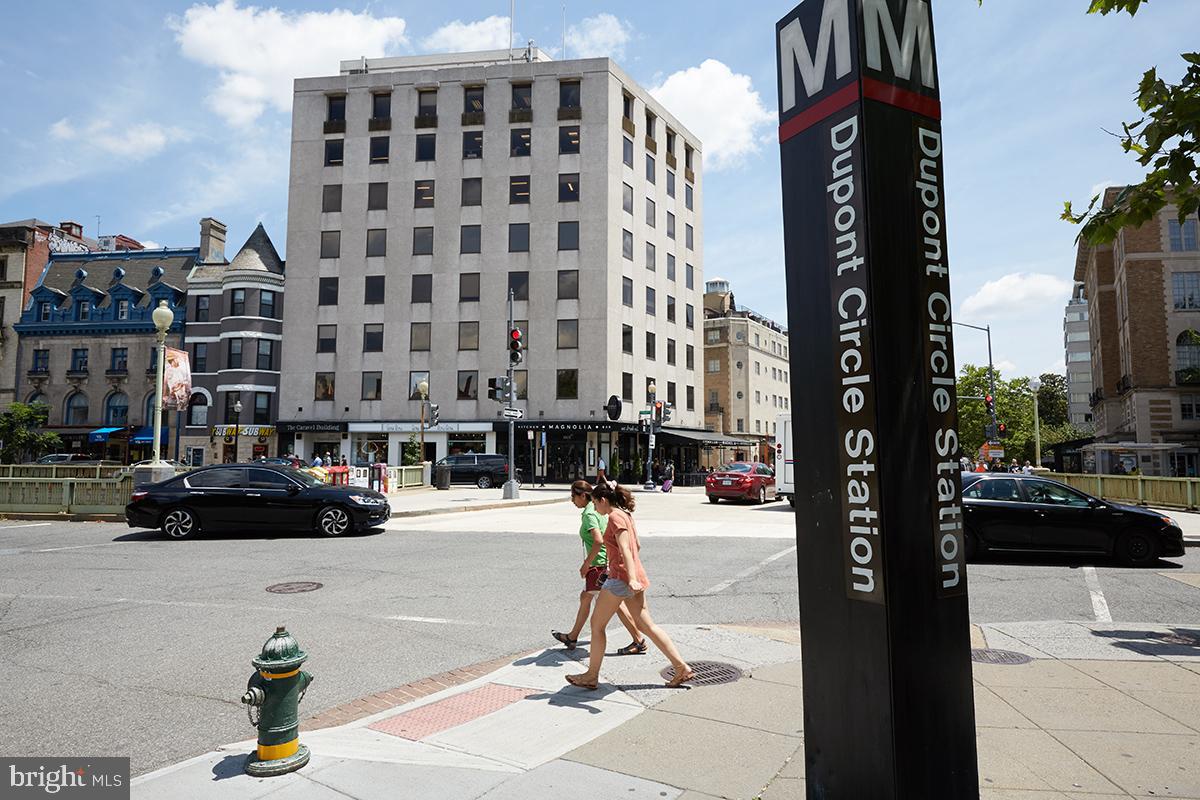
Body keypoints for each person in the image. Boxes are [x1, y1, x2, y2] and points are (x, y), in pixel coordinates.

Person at [567, 483, 694, 690]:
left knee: (597, 626)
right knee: (647, 626)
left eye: (595, 503)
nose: (595, 507)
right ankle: (681, 667)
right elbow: (637, 546)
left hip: (621, 580)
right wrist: (632, 574)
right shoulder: (625, 515)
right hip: (632, 577)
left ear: (603, 500)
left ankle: (591, 676)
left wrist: (630, 577)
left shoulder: (615, 517)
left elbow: (625, 548)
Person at [552, 481, 645, 654]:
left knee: (613, 606)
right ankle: (573, 636)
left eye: (573, 496)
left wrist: (586, 563)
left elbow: (598, 540)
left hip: (599, 564)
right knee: (587, 597)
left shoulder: (590, 513)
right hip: (606, 563)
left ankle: (638, 639)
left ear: (583, 496)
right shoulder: (601, 509)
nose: (572, 501)